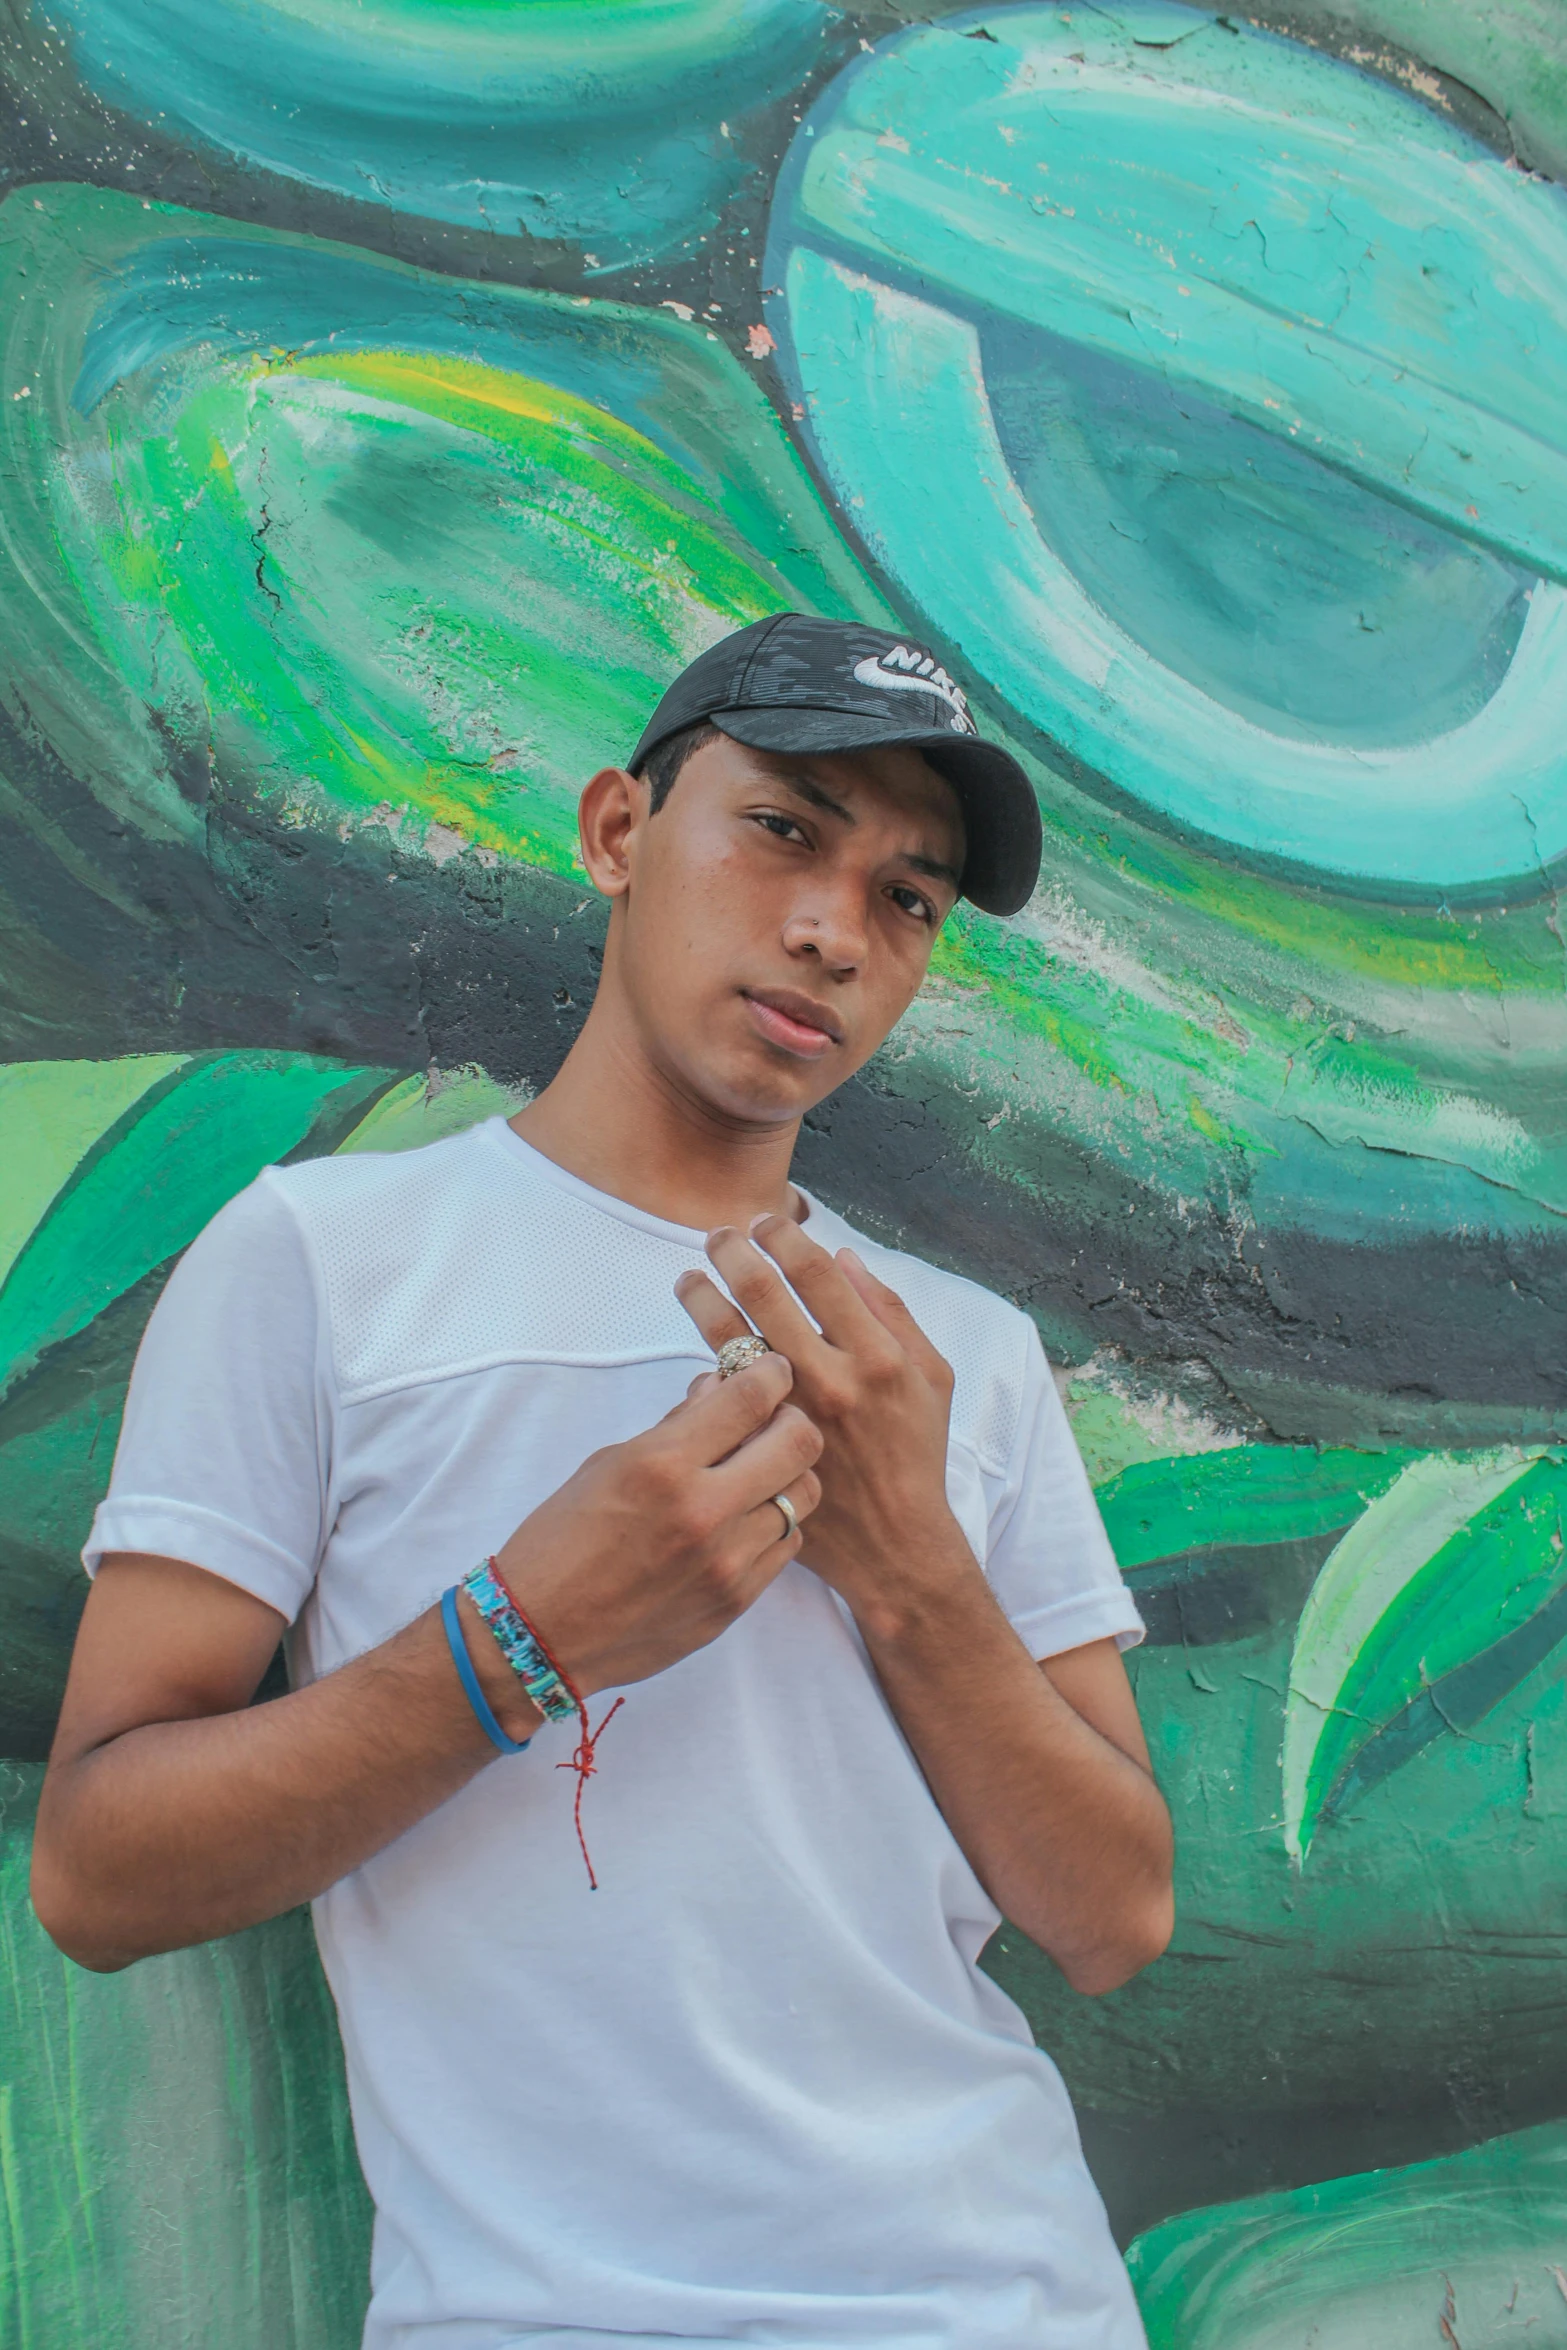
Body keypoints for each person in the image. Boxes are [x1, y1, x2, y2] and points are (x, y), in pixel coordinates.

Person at [32, 613, 1173, 2350]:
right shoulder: (321, 1264)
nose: (829, 928)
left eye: (906, 897)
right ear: (619, 834)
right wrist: (519, 1637)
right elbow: (99, 1872)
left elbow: (1112, 1917)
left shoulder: (953, 1353)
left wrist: (907, 1567)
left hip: (991, 2301)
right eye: (784, 827)